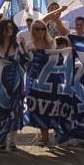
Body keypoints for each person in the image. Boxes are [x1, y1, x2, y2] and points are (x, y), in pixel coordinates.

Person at [27, 19, 56, 147]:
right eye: (37, 29)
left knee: (51, 106)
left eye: (43, 28)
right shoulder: (29, 45)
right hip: (35, 81)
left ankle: (52, 133)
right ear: (32, 30)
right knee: (39, 108)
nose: (40, 31)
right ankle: (44, 136)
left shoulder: (52, 43)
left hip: (50, 80)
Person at [0, 19, 19, 152]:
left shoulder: (19, 46)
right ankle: (1, 140)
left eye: (11, 27)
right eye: (6, 27)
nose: (9, 30)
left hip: (15, 83)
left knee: (14, 111)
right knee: (0, 112)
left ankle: (12, 140)